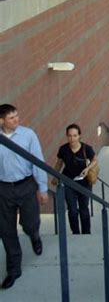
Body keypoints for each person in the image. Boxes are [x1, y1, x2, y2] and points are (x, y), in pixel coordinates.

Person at [0, 104, 48, 290]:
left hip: (26, 186)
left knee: (30, 223)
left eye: (17, 116)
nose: (16, 120)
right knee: (6, 230)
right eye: (12, 118)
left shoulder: (28, 135)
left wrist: (42, 188)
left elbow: (38, 161)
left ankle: (34, 235)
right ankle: (14, 270)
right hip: (3, 189)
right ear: (2, 120)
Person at [52, 124, 97, 234]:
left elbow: (95, 160)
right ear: (67, 136)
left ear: (79, 136)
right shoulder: (63, 149)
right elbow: (59, 164)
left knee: (84, 209)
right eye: (70, 136)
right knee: (72, 210)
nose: (72, 138)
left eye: (75, 136)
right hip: (68, 182)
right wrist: (55, 176)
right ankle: (75, 232)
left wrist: (88, 169)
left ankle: (86, 233)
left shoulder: (87, 148)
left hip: (84, 182)